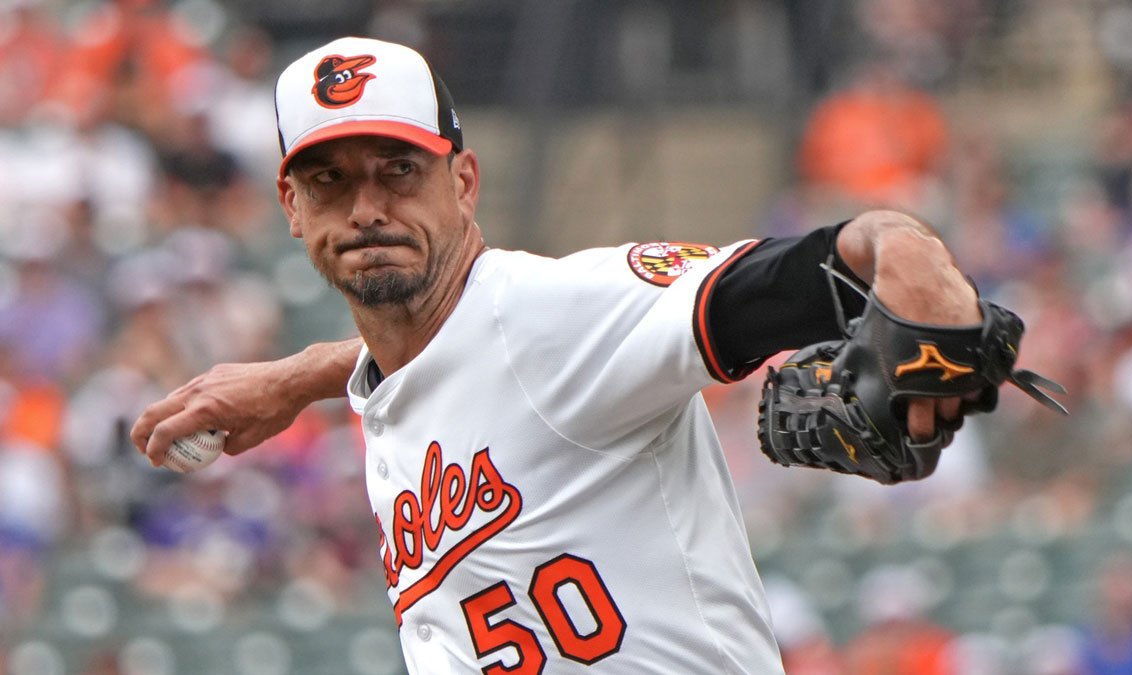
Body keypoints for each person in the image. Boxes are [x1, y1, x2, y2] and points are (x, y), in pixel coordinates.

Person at [131, 37, 986, 675]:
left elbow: (792, 275)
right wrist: (294, 378)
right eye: (329, 182)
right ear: (290, 204)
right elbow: (444, 357)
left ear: (463, 182)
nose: (365, 208)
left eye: (398, 172)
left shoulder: (563, 311)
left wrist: (896, 246)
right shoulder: (403, 369)